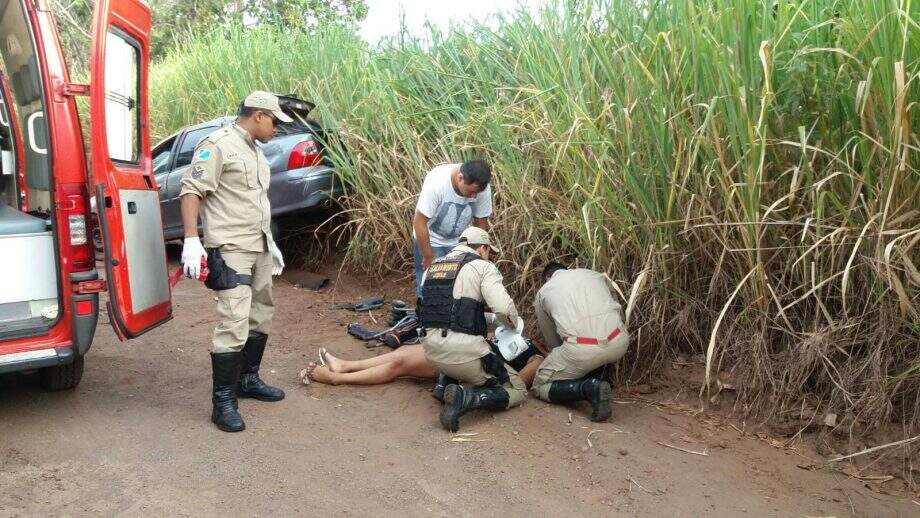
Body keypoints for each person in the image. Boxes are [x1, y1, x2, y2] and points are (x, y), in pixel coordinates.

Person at [179, 91, 291, 433]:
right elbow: (191, 190)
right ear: (257, 115)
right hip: (231, 248)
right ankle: (223, 402)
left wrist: (269, 243)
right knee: (234, 319)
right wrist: (190, 240)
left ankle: (248, 379)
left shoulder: (255, 151)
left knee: (262, 312)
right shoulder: (217, 145)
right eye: (274, 121)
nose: (277, 129)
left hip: (257, 245)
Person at [419, 226, 527, 432]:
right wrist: (513, 324)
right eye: (488, 252)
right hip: (463, 355)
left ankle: (444, 385)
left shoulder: (432, 267)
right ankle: (467, 398)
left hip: (431, 353)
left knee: (454, 342)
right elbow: (504, 308)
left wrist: (491, 319)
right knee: (518, 389)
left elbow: (448, 312)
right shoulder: (482, 266)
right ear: (483, 249)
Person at [530, 262, 631, 422]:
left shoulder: (544, 292)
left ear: (547, 278)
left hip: (582, 351)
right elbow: (618, 310)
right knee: (598, 343)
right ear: (567, 269)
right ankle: (600, 377)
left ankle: (589, 388)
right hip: (619, 340)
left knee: (539, 386)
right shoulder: (594, 275)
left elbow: (553, 341)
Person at [298, 342, 543, 388]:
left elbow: (517, 382)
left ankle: (337, 378)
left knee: (400, 363)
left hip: (471, 361)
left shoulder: (539, 356)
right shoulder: (523, 333)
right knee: (403, 351)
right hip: (467, 346)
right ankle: (346, 365)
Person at [413, 160, 493, 295]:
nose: (474, 196)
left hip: (460, 242)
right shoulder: (437, 183)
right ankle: (427, 313)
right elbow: (419, 222)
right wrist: (428, 257)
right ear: (460, 178)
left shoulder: (481, 188)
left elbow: (481, 223)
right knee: (430, 287)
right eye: (471, 191)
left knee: (460, 287)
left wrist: (478, 251)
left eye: (477, 193)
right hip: (430, 239)